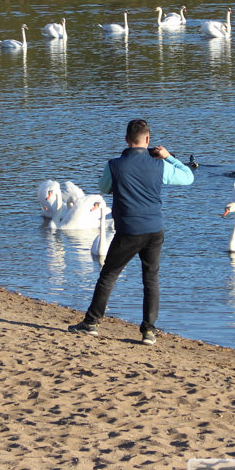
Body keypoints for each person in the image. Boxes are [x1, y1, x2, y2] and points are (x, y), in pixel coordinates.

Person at [68, 119, 194, 346]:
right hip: (155, 229)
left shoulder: (114, 165)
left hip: (128, 231)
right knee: (151, 279)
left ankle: (92, 323)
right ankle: (148, 332)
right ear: (148, 140)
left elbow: (104, 188)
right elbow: (188, 177)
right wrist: (168, 156)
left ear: (126, 139)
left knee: (108, 276)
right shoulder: (160, 165)